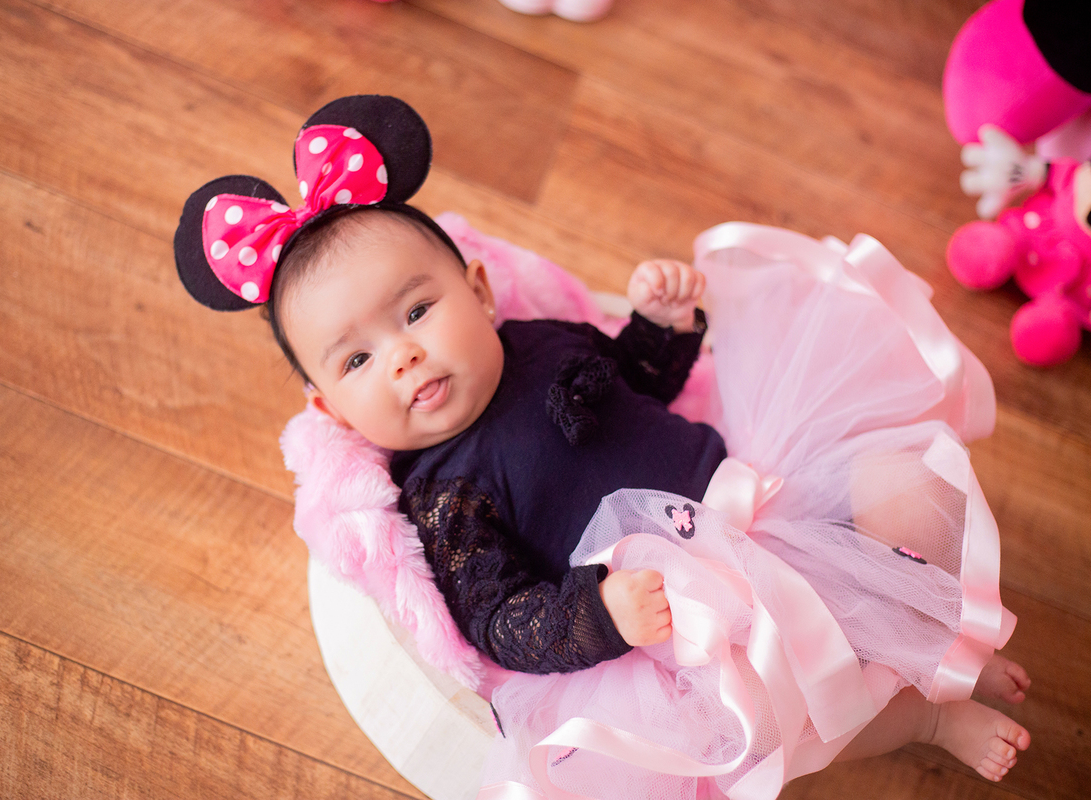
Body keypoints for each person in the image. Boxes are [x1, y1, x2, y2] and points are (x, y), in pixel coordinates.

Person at [174, 95, 1030, 798]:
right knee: (790, 709)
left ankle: (946, 640)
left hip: (759, 491)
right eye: (358, 359)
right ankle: (924, 718)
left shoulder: (541, 339)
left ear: (477, 291)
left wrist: (663, 327)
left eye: (415, 311)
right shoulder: (442, 493)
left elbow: (638, 383)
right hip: (689, 614)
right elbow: (498, 620)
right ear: (331, 408)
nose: (401, 355)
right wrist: (601, 613)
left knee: (904, 484)